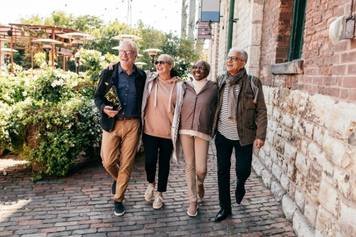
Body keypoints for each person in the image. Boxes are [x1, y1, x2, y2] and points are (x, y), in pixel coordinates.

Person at [213, 48, 267, 222]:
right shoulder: (221, 80)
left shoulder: (253, 82)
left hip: (244, 135)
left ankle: (241, 183)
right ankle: (225, 208)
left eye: (234, 58)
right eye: (228, 58)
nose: (229, 61)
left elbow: (261, 110)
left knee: (243, 169)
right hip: (222, 134)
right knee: (222, 171)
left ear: (243, 62)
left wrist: (261, 135)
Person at [94, 39, 146, 216]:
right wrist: (103, 109)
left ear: (135, 55)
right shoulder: (108, 73)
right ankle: (119, 179)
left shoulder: (141, 76)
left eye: (128, 52)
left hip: (133, 123)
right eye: (122, 51)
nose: (124, 54)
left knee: (127, 163)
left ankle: (119, 199)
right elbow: (97, 97)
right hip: (112, 123)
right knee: (107, 161)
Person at [173, 60, 218, 217]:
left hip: (203, 130)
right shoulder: (184, 86)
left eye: (202, 67)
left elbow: (218, 109)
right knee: (189, 165)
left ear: (207, 71)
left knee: (201, 169)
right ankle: (193, 201)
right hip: (185, 130)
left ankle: (200, 182)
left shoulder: (214, 87)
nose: (198, 70)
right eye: (195, 67)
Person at [141, 54, 181, 210]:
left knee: (164, 165)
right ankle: (151, 184)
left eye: (162, 62)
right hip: (149, 131)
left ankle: (160, 194)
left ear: (170, 65)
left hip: (167, 134)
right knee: (149, 162)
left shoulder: (179, 86)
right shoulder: (149, 81)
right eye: (157, 62)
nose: (158, 65)